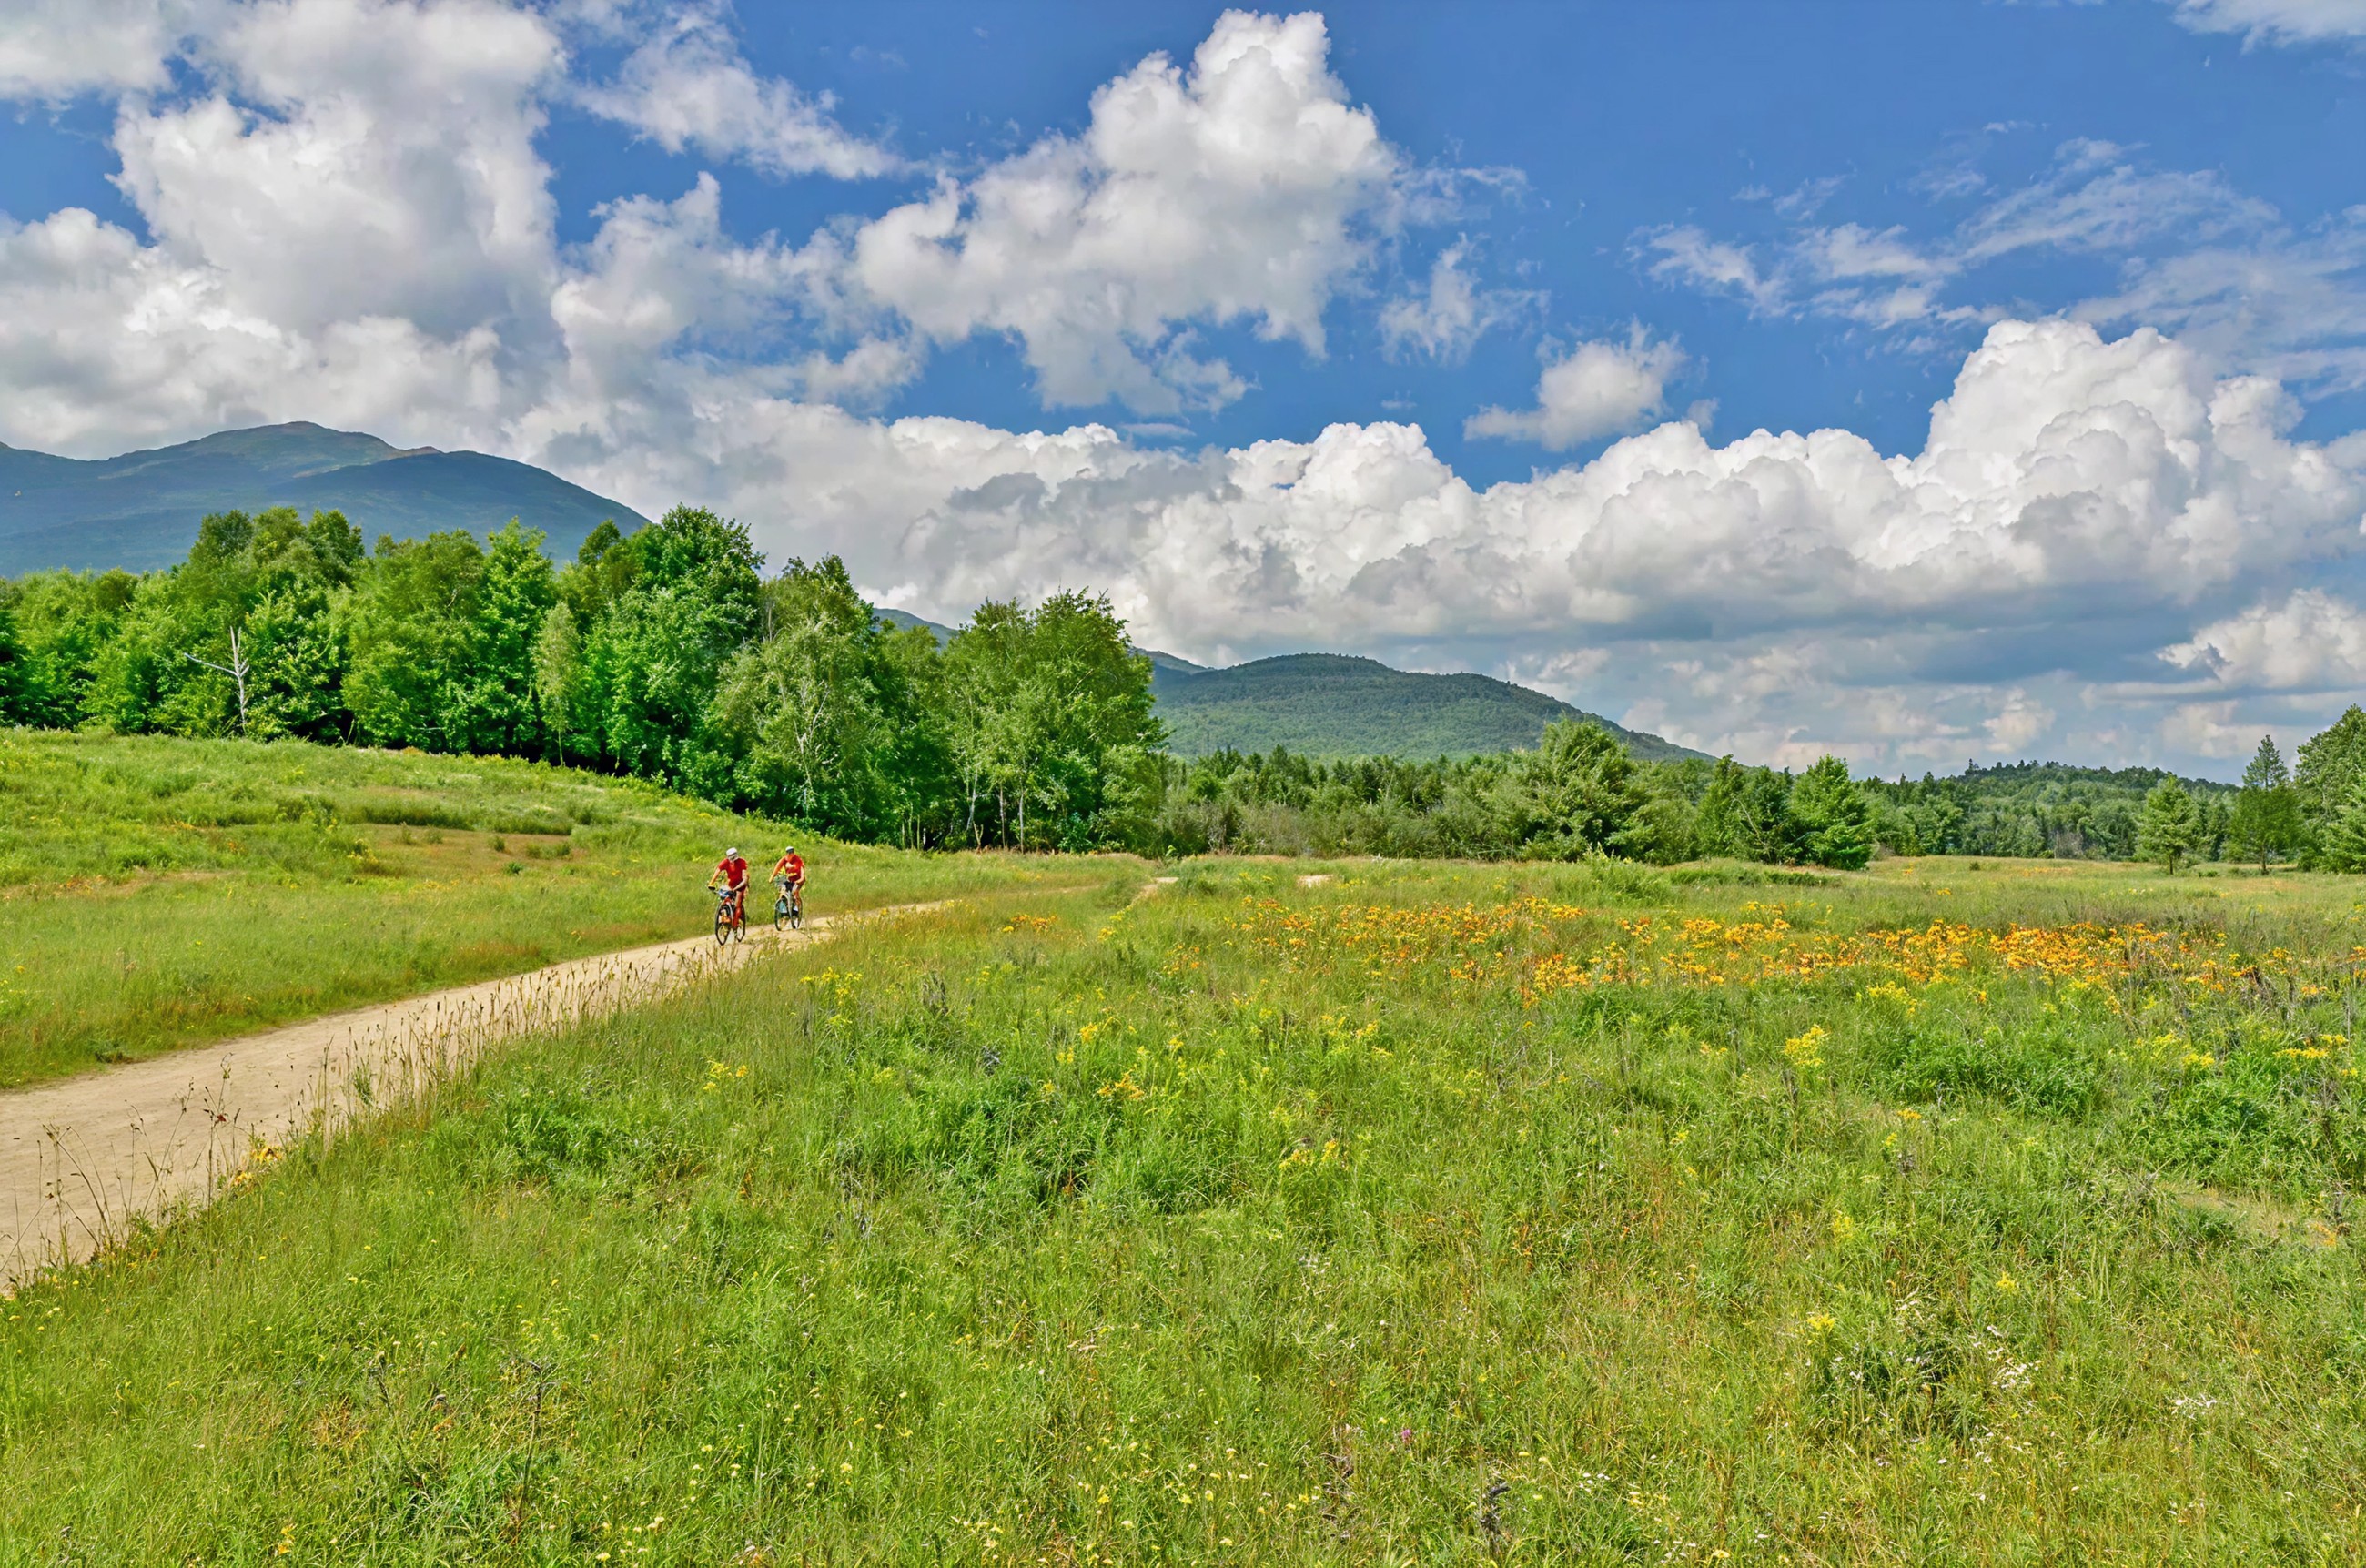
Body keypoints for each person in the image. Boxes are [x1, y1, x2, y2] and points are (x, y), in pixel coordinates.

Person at [708, 845, 750, 924]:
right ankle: (724, 916)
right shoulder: (725, 862)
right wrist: (711, 883)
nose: (733, 861)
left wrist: (737, 888)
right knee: (724, 898)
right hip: (731, 884)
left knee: (738, 904)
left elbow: (744, 879)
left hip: (741, 885)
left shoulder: (742, 862)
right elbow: (717, 872)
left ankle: (735, 922)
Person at [773, 845, 805, 917]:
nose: (789, 854)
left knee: (795, 892)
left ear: (793, 853)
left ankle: (797, 910)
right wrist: (772, 877)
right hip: (789, 880)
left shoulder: (798, 860)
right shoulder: (784, 859)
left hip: (798, 880)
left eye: (791, 852)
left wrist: (801, 879)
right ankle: (782, 910)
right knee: (782, 892)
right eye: (788, 852)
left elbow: (802, 871)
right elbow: (777, 867)